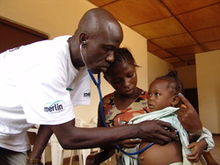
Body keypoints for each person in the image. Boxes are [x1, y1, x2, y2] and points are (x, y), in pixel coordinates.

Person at [0, 8, 179, 165]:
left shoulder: (81, 62)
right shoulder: (49, 65)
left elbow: (54, 118)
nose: (110, 58)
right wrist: (138, 129)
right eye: (107, 49)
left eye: (114, 51)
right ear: (84, 39)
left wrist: (35, 157)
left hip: (13, 136)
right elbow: (67, 137)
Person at [86, 48, 214, 165]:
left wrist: (204, 148)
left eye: (130, 75)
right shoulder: (106, 103)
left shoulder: (155, 101)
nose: (126, 83)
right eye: (117, 81)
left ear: (135, 69)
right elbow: (100, 138)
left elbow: (191, 131)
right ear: (108, 80)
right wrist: (115, 142)